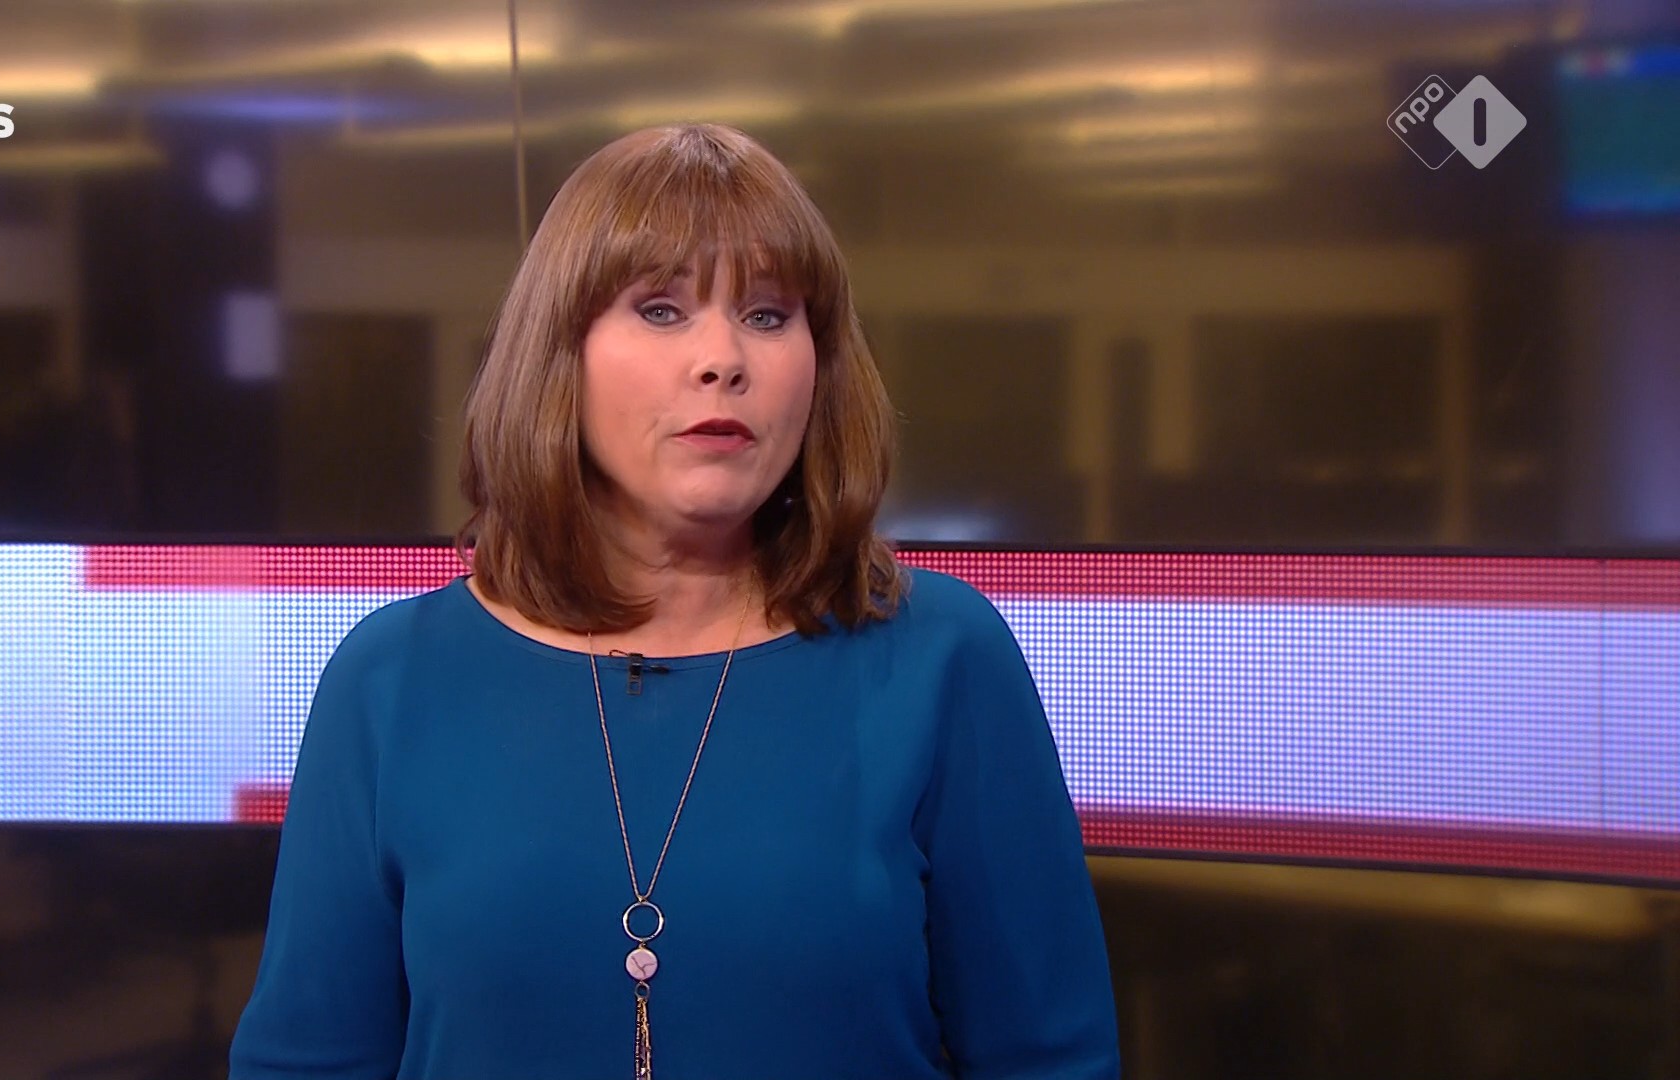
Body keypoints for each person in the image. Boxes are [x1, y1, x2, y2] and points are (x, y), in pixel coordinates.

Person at [229, 123, 1119, 1080]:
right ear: (560, 354)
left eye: (768, 315)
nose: (722, 358)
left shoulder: (941, 658)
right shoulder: (392, 678)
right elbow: (305, 1063)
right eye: (660, 309)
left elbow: (1050, 1059)